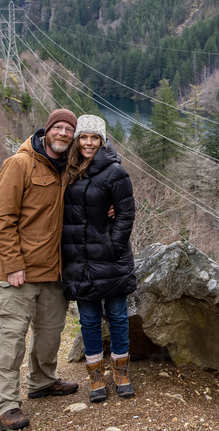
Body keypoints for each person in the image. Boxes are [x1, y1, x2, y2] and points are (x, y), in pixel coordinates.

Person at [0, 109, 81, 430]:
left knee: (50, 334)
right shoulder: (20, 163)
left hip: (56, 271)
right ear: (47, 130)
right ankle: (3, 405)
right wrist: (12, 264)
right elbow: (3, 218)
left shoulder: (69, 169)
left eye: (70, 130)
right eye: (59, 127)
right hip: (21, 272)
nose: (64, 134)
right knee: (9, 338)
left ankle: (42, 381)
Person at [61, 114, 138, 402]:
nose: (89, 143)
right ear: (76, 140)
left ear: (103, 140)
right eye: (83, 137)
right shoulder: (67, 171)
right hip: (78, 258)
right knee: (89, 320)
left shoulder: (115, 172)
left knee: (118, 317)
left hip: (110, 258)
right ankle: (95, 376)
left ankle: (121, 372)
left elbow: (126, 213)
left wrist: (113, 246)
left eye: (94, 137)